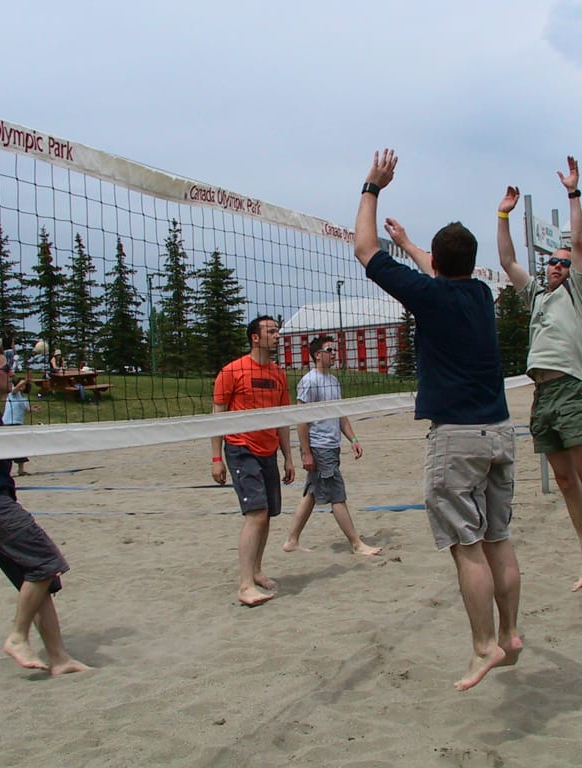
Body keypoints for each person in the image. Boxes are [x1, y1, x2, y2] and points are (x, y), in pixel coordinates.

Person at [363, 148, 522, 692]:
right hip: (501, 432)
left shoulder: (430, 297)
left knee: (467, 548)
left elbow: (364, 248)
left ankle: (483, 646)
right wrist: (409, 241)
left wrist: (372, 185)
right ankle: (511, 632)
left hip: (456, 438)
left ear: (437, 262)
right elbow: (437, 266)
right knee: (498, 539)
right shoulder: (480, 294)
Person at [498, 156, 582, 598]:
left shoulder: (578, 291)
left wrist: (572, 192)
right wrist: (503, 215)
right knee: (566, 481)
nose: (557, 266)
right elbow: (508, 258)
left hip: (572, 387)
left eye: (563, 263)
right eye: (553, 262)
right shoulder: (535, 294)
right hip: (543, 393)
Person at [0, 345, 90, 675]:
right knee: (45, 562)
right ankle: (17, 635)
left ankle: (59, 658)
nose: (11, 372)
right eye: (5, 368)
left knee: (40, 579)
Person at [211, 316, 296, 606]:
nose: (276, 335)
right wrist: (216, 458)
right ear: (255, 338)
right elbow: (217, 416)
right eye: (270, 331)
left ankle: (257, 571)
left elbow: (283, 418)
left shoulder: (278, 374)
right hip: (240, 448)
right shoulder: (232, 371)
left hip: (268, 450)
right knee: (256, 513)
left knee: (268, 514)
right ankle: (245, 585)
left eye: (277, 331)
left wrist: (288, 458)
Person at [282, 335, 382, 557]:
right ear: (318, 355)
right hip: (319, 447)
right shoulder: (309, 381)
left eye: (334, 350)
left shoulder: (334, 381)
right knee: (337, 495)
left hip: (331, 445)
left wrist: (353, 439)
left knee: (311, 493)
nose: (334, 354)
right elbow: (301, 420)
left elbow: (340, 415)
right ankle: (356, 543)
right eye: (330, 350)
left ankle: (291, 540)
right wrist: (306, 452)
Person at [3, 377, 39, 476]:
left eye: (24, 385)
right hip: (8, 423)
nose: (22, 386)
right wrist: (25, 380)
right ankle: (5, 471)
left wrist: (33, 409)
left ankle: (21, 470)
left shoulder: (24, 399)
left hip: (18, 423)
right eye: (21, 384)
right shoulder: (13, 394)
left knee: (20, 446)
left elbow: (27, 409)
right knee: (8, 447)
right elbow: (16, 388)